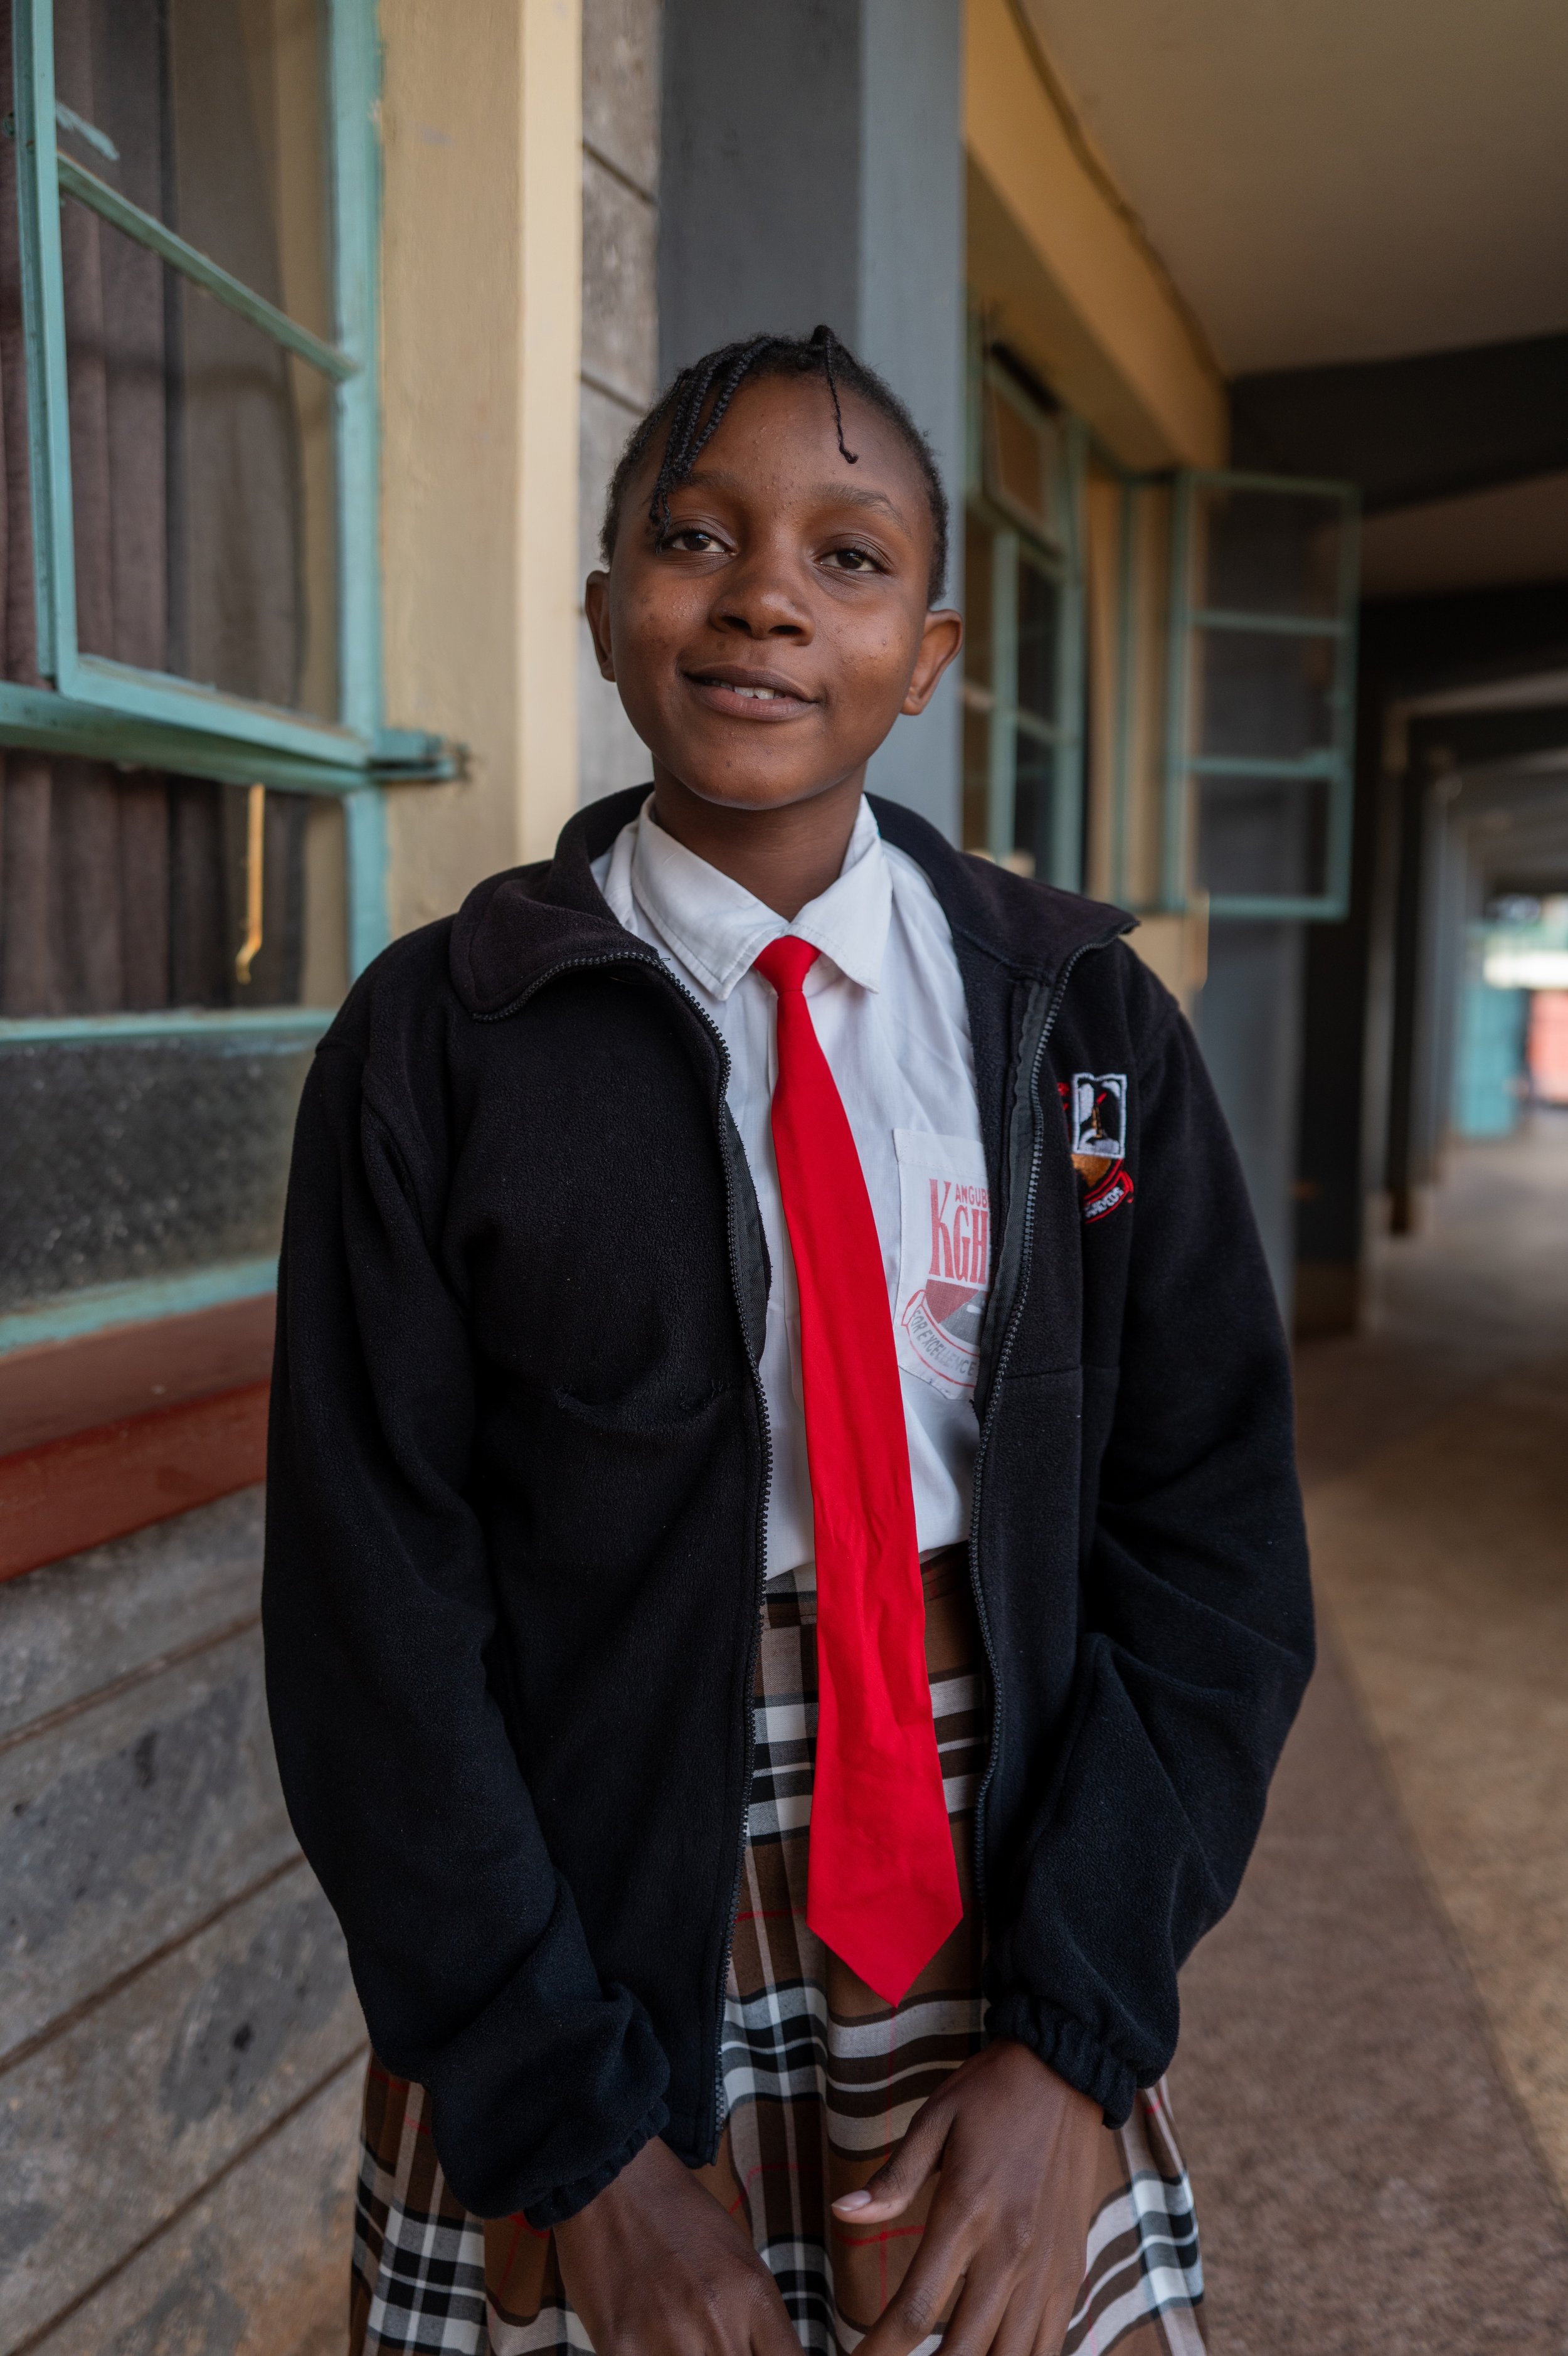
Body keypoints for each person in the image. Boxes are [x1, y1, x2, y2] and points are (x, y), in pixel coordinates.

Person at [263, 326, 1313, 2356]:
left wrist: (1072, 2044)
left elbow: (1209, 1552)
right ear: (602, 613)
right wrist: (572, 2147)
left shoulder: (1077, 1023)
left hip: (993, 1862)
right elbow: (372, 1623)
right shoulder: (437, 1041)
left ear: (926, 655)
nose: (760, 594)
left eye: (846, 557)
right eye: (693, 536)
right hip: (586, 1877)